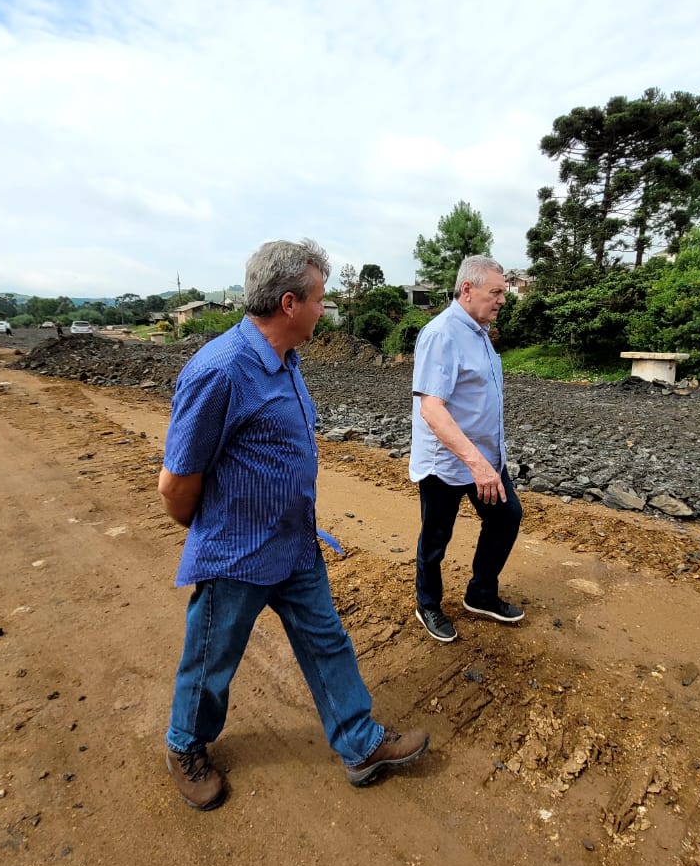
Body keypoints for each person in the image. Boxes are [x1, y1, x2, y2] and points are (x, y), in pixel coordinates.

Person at [158, 238, 429, 811]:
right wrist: (212, 531)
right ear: (288, 303)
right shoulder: (221, 371)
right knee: (212, 660)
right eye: (320, 299)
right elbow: (176, 483)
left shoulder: (287, 360)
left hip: (294, 544)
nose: (324, 309)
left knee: (327, 641)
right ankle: (185, 744)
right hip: (237, 553)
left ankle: (359, 743)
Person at [409, 255, 524, 643]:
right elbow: (432, 408)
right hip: (449, 461)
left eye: (503, 293)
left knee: (506, 517)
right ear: (467, 289)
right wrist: (477, 463)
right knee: (437, 537)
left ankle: (481, 593)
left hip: (486, 457)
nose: (502, 300)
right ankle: (428, 604)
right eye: (496, 292)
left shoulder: (479, 332)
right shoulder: (441, 334)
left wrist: (490, 459)